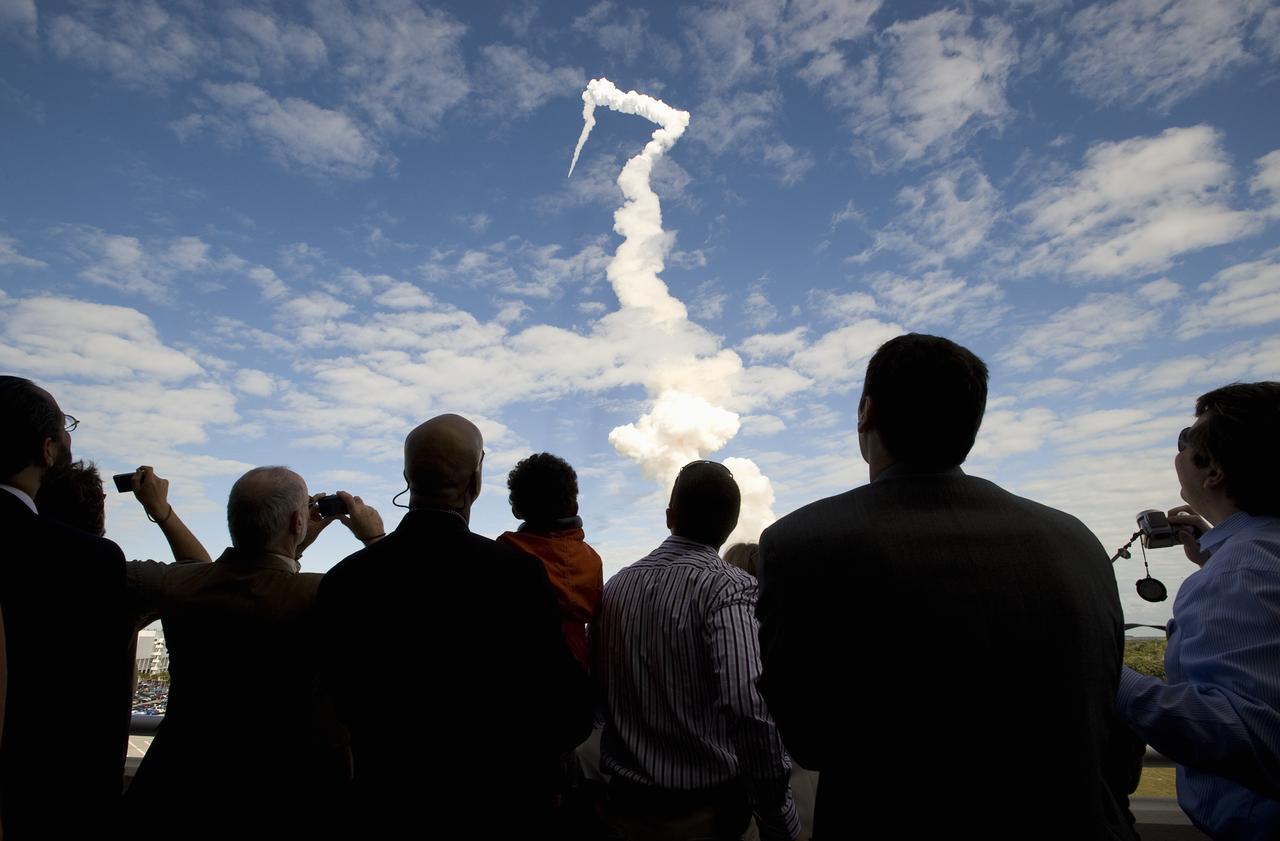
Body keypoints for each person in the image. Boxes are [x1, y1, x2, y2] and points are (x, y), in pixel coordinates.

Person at [756, 334, 1135, 840]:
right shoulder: (1076, 539)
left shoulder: (801, 541)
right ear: (971, 422)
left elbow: (809, 739)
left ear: (866, 411)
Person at [316, 414, 593, 836]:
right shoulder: (516, 576)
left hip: (384, 808)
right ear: (475, 481)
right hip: (496, 810)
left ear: (407, 477)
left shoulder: (345, 581)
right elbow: (566, 712)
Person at [123, 467, 382, 839]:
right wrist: (374, 538)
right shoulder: (323, 595)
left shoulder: (177, 587)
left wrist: (163, 512)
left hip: (180, 794)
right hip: (293, 801)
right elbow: (403, 610)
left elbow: (208, 575)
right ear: (298, 521)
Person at [597, 460, 800, 841]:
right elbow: (749, 705)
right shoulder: (729, 588)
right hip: (706, 817)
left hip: (620, 810)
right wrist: (777, 811)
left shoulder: (616, 587)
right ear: (730, 524)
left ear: (669, 516)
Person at [1115, 382, 1280, 840]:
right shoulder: (1252, 557)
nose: (1181, 449)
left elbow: (1251, 735)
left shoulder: (1242, 571)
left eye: (1188, 439)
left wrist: (1106, 673)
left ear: (1214, 472)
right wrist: (1215, 550)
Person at [0, 376, 135, 838]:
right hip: (43, 805)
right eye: (65, 428)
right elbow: (96, 712)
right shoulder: (86, 561)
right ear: (47, 450)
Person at [497, 452, 603, 670]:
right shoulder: (592, 561)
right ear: (573, 506)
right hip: (580, 679)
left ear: (517, 508)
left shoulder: (507, 550)